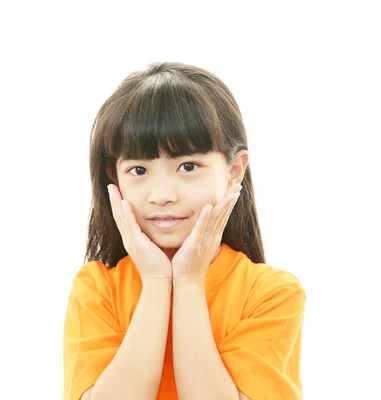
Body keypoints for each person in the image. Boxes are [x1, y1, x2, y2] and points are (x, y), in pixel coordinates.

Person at [63, 61, 306, 400]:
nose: (162, 195)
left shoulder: (271, 293)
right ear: (113, 177)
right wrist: (156, 282)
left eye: (188, 166)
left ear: (235, 171)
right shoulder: (98, 289)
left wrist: (189, 282)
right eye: (138, 170)